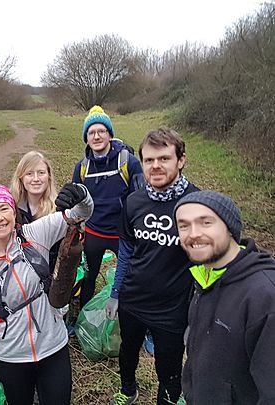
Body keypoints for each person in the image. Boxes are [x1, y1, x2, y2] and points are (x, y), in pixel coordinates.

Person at [0, 182, 93, 405]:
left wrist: (81, 194)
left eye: (4, 208)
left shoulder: (35, 234)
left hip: (54, 347)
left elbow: (81, 213)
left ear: (14, 212)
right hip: (10, 357)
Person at [106, 128, 199, 405]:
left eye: (164, 158)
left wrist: (200, 310)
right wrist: (115, 292)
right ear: (142, 163)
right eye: (149, 160)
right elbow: (126, 251)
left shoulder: (196, 204)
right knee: (128, 352)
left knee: (169, 369)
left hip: (172, 309)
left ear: (180, 160)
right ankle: (128, 389)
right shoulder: (134, 202)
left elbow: (209, 263)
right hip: (133, 299)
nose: (156, 166)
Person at [174, 190, 275, 404]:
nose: (193, 234)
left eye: (206, 223)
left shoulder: (265, 295)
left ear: (230, 228)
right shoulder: (205, 274)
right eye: (184, 225)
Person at [72, 105, 143, 309]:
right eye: (91, 132)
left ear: (110, 134)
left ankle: (130, 317)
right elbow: (77, 202)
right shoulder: (82, 167)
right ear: (86, 138)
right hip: (94, 232)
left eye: (101, 131)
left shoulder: (129, 162)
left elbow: (140, 200)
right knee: (89, 276)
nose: (96, 136)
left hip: (122, 234)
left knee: (130, 277)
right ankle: (83, 314)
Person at [10, 150, 59, 269]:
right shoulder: (11, 210)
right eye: (29, 173)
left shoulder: (58, 210)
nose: (36, 179)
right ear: (21, 178)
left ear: (49, 176)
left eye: (41, 173)